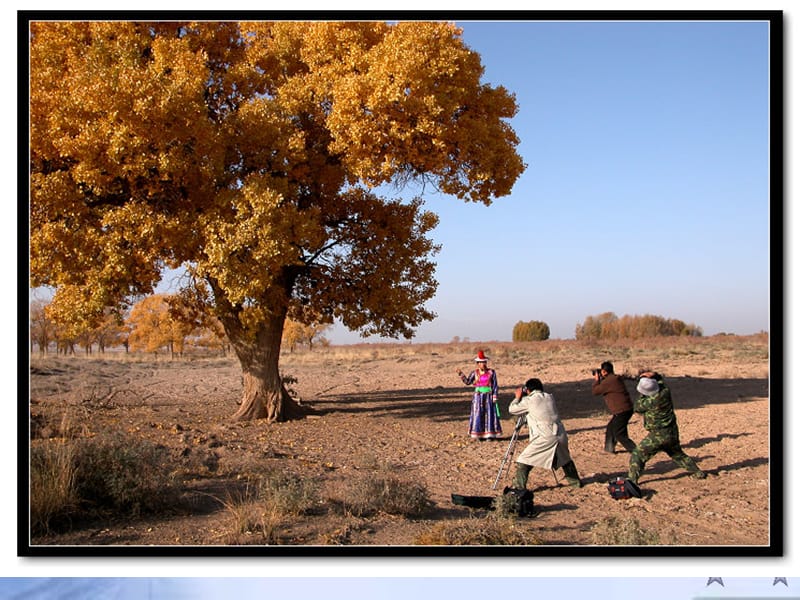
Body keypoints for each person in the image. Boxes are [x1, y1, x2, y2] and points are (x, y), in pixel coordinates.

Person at [627, 371, 707, 484]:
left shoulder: (648, 402)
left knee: (637, 455)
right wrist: (654, 376)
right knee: (678, 454)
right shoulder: (665, 392)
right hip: (672, 431)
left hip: (658, 434)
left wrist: (643, 388)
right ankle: (697, 473)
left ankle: (632, 481)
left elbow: (637, 407)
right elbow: (661, 383)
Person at [507, 378, 582, 489]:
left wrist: (517, 397)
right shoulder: (549, 397)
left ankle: (519, 487)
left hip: (545, 436)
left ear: (527, 390)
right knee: (564, 458)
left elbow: (512, 409)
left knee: (524, 459)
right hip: (560, 434)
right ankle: (576, 483)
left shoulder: (529, 400)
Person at [456, 350, 502, 440]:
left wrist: (495, 396)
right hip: (478, 397)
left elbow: (495, 385)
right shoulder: (475, 373)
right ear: (477, 364)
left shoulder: (492, 372)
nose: (483, 364)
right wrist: (461, 374)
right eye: (481, 362)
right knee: (478, 414)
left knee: (489, 414)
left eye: (484, 362)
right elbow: (468, 382)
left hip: (488, 396)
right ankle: (479, 434)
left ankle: (489, 434)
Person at [591, 361, 636, 453]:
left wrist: (596, 380)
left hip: (622, 411)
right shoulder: (614, 379)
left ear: (604, 372)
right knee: (611, 428)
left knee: (619, 434)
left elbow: (595, 391)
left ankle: (636, 451)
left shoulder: (609, 381)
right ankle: (609, 449)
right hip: (624, 409)